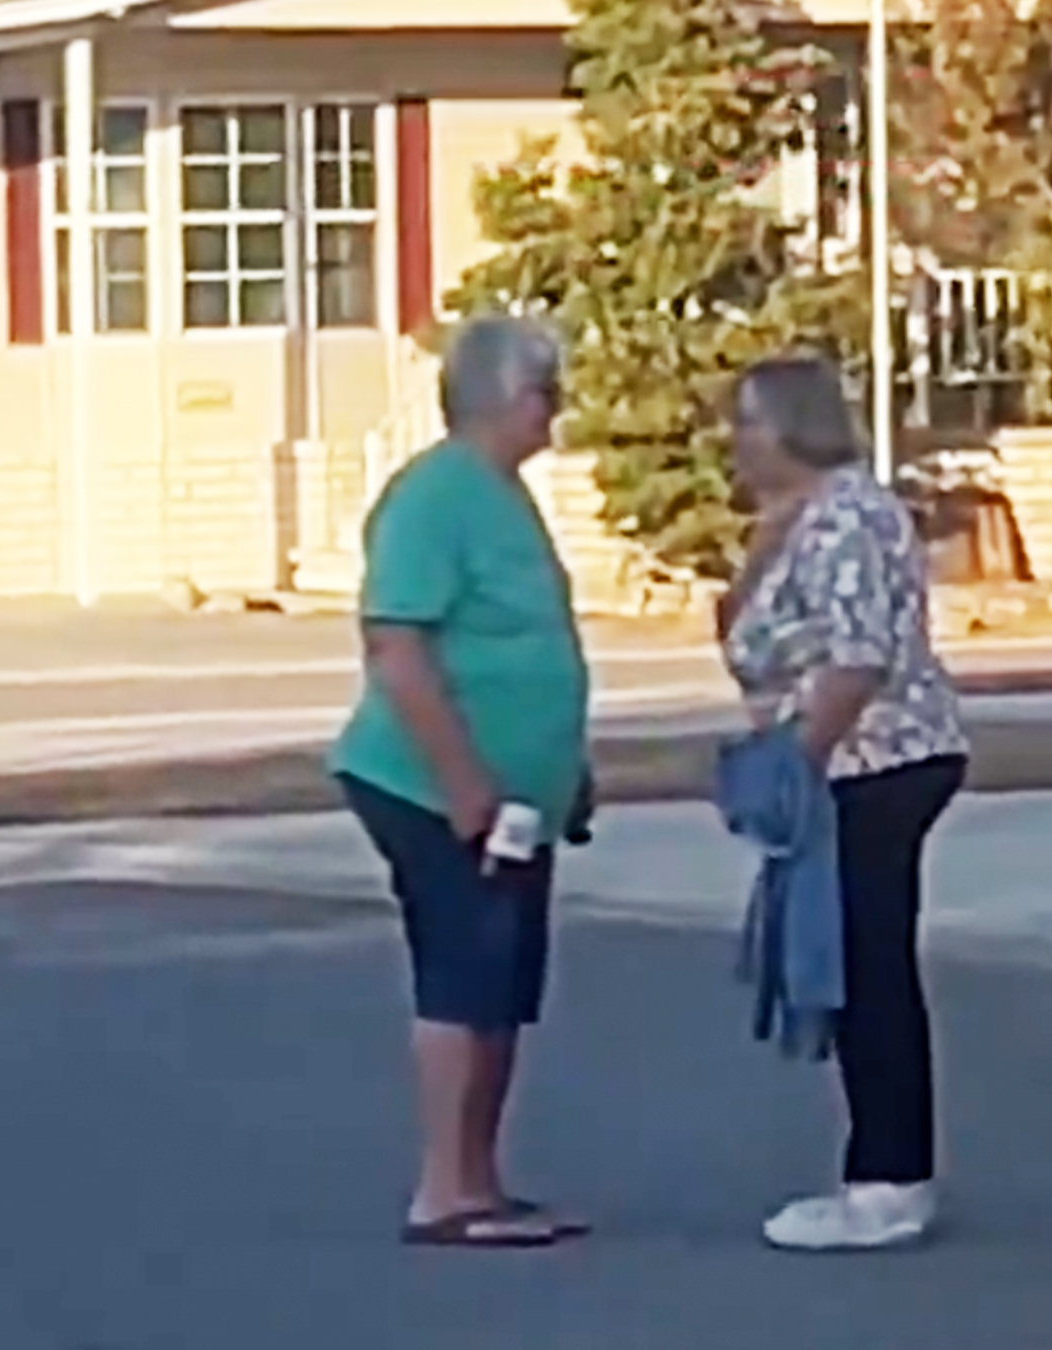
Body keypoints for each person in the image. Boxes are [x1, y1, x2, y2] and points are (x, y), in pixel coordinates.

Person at [329, 314, 594, 1249]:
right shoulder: (433, 497)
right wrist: (464, 784)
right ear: (510, 398)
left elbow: (523, 642)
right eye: (549, 393)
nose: (556, 413)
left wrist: (568, 771)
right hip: (430, 788)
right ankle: (443, 1189)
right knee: (463, 970)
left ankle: (483, 1182)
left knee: (506, 983)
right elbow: (397, 647)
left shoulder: (500, 493)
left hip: (518, 801)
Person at [718, 353, 971, 1250]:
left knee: (868, 963)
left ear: (796, 423)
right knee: (856, 960)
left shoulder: (849, 519)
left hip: (877, 763)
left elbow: (859, 658)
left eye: (749, 420)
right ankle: (883, 1169)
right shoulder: (799, 519)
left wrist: (800, 765)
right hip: (848, 764)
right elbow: (747, 631)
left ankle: (890, 1180)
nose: (735, 440)